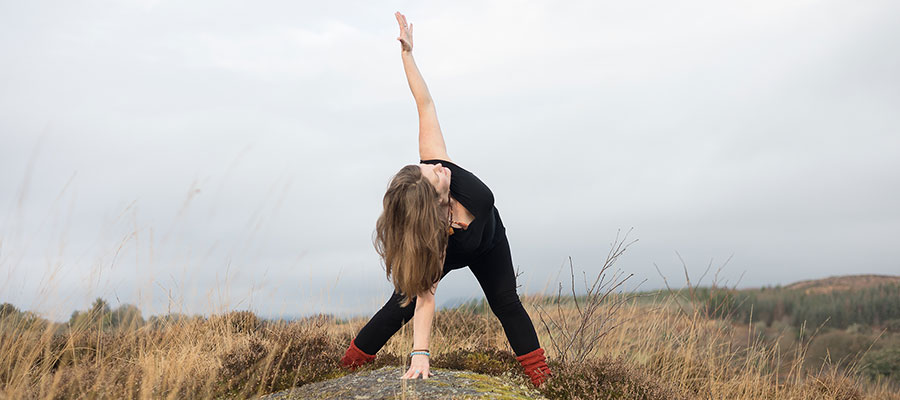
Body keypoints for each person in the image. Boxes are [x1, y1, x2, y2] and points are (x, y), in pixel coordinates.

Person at [339, 11, 552, 388]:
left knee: (506, 303)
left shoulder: (438, 166)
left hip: (490, 242)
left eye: (432, 166)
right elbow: (425, 300)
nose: (438, 167)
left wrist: (407, 55)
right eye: (433, 174)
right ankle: (347, 366)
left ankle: (544, 382)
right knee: (400, 306)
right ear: (430, 205)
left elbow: (425, 104)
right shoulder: (432, 242)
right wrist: (420, 354)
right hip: (448, 247)